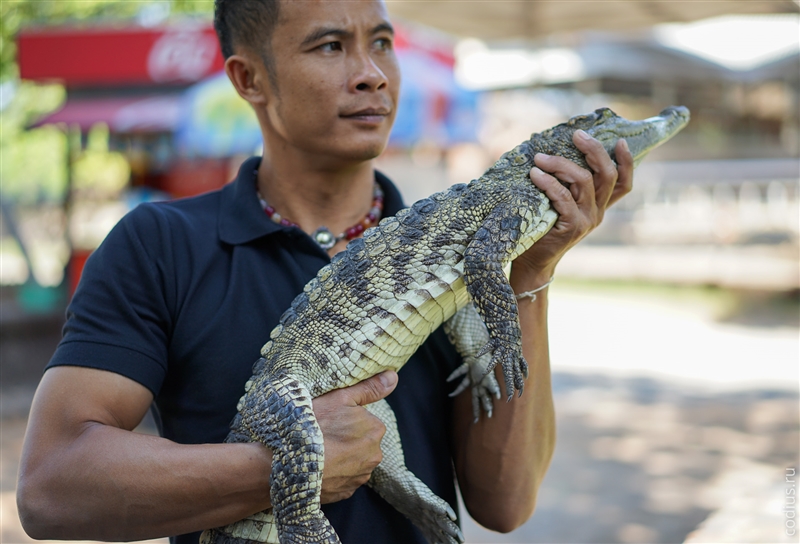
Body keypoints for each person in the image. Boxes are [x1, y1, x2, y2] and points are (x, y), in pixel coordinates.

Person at [16, 0, 633, 542]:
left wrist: (532, 268)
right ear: (250, 78)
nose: (371, 74)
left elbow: (506, 502)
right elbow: (51, 487)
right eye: (331, 45)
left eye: (382, 42)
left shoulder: (457, 241)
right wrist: (288, 463)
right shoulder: (158, 244)